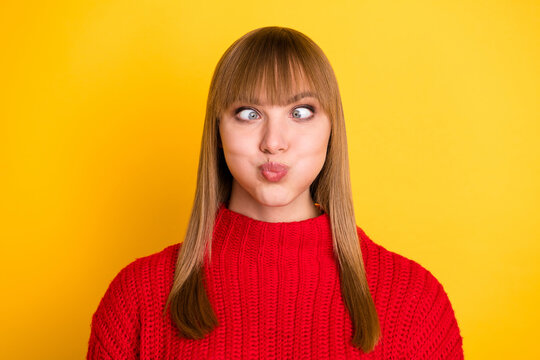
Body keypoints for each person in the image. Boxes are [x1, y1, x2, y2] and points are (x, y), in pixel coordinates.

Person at [87, 26, 464, 359]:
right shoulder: (137, 297)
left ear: (332, 129)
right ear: (217, 130)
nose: (273, 142)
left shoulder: (414, 300)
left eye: (300, 112)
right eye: (249, 113)